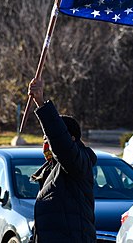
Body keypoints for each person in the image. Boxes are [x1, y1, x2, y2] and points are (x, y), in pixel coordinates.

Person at [28, 77, 97, 242]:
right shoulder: (51, 171)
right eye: (45, 140)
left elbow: (61, 143)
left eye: (49, 140)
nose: (46, 145)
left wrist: (41, 103)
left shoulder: (77, 163)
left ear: (72, 139)